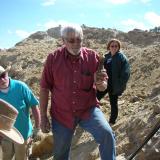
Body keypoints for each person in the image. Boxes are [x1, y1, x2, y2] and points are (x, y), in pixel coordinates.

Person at [40, 24, 116, 160]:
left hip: (88, 109)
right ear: (62, 40)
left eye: (79, 40)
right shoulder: (53, 58)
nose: (76, 44)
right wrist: (43, 116)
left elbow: (103, 86)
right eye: (71, 40)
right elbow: (45, 88)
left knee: (106, 133)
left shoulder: (93, 57)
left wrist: (101, 84)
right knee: (60, 153)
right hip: (62, 114)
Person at [0, 65, 41, 160]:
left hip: (23, 135)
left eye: (3, 75)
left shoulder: (21, 87)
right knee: (5, 157)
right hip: (5, 136)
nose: (2, 80)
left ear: (7, 73)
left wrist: (37, 128)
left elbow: (34, 106)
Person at [97, 39, 130, 125]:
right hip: (105, 83)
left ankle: (112, 121)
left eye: (116, 46)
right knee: (95, 98)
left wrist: (120, 84)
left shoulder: (122, 57)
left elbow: (126, 73)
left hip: (114, 85)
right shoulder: (106, 56)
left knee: (113, 103)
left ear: (119, 47)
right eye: (112, 46)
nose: (114, 47)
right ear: (109, 47)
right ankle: (90, 116)